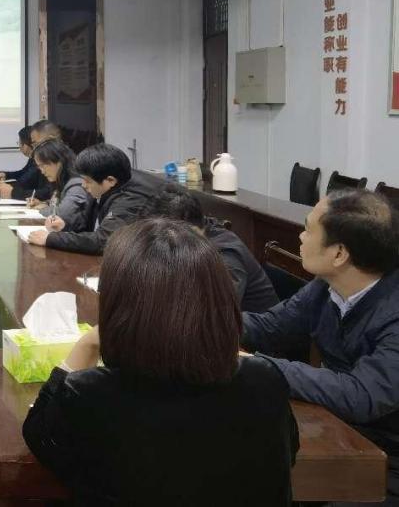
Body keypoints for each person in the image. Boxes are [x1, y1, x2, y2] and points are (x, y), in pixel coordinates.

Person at [23, 219, 299, 506]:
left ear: (119, 305)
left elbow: (39, 437)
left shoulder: (89, 393)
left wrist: (87, 344)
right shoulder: (265, 380)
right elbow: (287, 453)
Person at [242, 190, 399, 504]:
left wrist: (261, 366)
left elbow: (361, 395)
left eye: (308, 229)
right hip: (342, 432)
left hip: (387, 458)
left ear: (339, 254)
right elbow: (267, 328)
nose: (300, 237)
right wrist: (202, 327)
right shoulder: (324, 288)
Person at [142, 184, 279, 313]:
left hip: (248, 327)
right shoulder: (197, 234)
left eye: (162, 236)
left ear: (190, 229)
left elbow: (216, 313)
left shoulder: (225, 256)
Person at [27, 143, 152, 254]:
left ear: (110, 180)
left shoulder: (131, 198)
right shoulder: (112, 186)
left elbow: (104, 241)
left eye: (87, 181)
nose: (83, 185)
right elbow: (94, 229)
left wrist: (50, 239)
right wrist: (65, 228)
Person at [30, 139, 93, 234]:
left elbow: (61, 215)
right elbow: (61, 203)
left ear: (59, 161)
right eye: (39, 167)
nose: (42, 171)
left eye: (43, 166)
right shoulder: (62, 181)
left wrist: (39, 210)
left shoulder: (77, 184)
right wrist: (44, 203)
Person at [0, 119, 63, 201]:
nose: (34, 149)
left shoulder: (59, 161)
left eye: (36, 144)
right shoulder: (45, 158)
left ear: (50, 139)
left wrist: (13, 192)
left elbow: (48, 193)